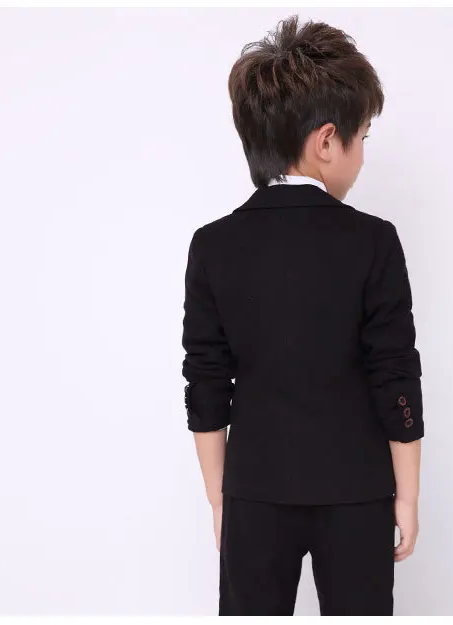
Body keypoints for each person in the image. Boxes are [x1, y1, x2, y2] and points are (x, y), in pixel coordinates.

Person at [181, 14, 424, 616]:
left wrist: (220, 498)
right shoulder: (373, 241)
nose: (362, 153)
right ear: (326, 141)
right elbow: (396, 373)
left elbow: (206, 381)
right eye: (362, 136)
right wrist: (407, 495)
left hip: (254, 490)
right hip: (358, 490)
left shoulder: (213, 245)